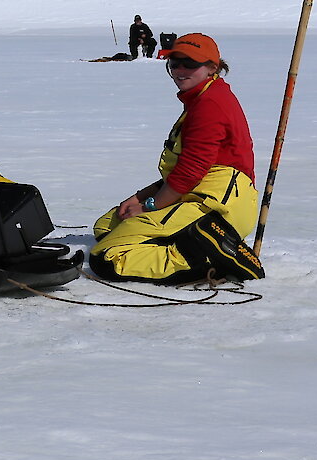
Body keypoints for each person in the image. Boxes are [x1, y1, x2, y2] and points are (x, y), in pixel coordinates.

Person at [89, 33, 264, 283]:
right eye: (174, 63)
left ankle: (212, 254)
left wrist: (148, 206)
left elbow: (190, 172)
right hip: (198, 191)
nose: (180, 70)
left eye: (190, 64)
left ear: (212, 67)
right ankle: (194, 241)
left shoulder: (210, 105)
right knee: (106, 227)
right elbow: (186, 169)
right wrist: (140, 196)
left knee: (107, 257)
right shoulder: (203, 96)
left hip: (218, 205)